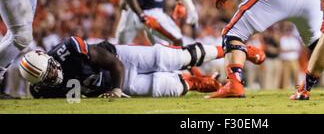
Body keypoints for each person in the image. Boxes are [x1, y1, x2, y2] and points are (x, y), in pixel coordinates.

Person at [19, 36, 227, 98]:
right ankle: (208, 83)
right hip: (110, 87)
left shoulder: (70, 49)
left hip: (122, 60)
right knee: (168, 88)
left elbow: (113, 63)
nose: (53, 76)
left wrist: (117, 89)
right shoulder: (40, 89)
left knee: (176, 57)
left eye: (51, 68)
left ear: (50, 58)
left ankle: (229, 48)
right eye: (47, 77)